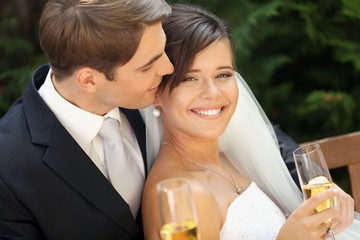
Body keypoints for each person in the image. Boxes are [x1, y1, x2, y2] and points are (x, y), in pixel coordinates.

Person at [141, 4, 360, 240]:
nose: (212, 92)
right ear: (155, 91)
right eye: (189, 78)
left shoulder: (229, 158)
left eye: (223, 74)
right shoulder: (183, 196)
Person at [0, 0, 174, 239]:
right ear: (89, 80)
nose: (169, 68)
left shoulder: (162, 96)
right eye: (147, 66)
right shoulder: (7, 168)